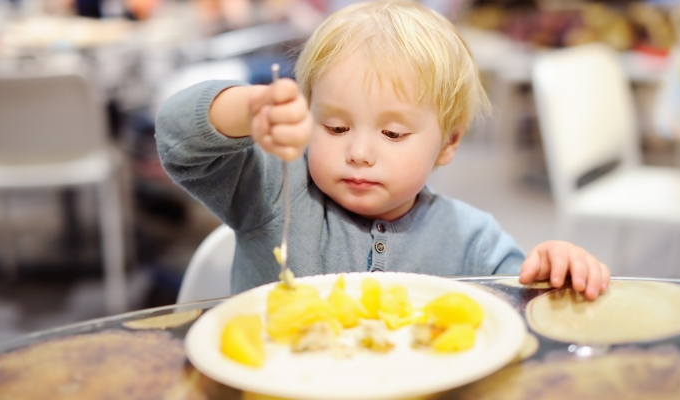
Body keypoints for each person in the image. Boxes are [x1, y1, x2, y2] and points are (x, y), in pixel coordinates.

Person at [155, 0, 610, 299]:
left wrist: (556, 269)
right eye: (334, 126)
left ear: (449, 142)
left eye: (392, 134)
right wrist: (246, 110)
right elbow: (178, 139)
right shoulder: (271, 191)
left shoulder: (473, 240)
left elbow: (520, 310)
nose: (359, 152)